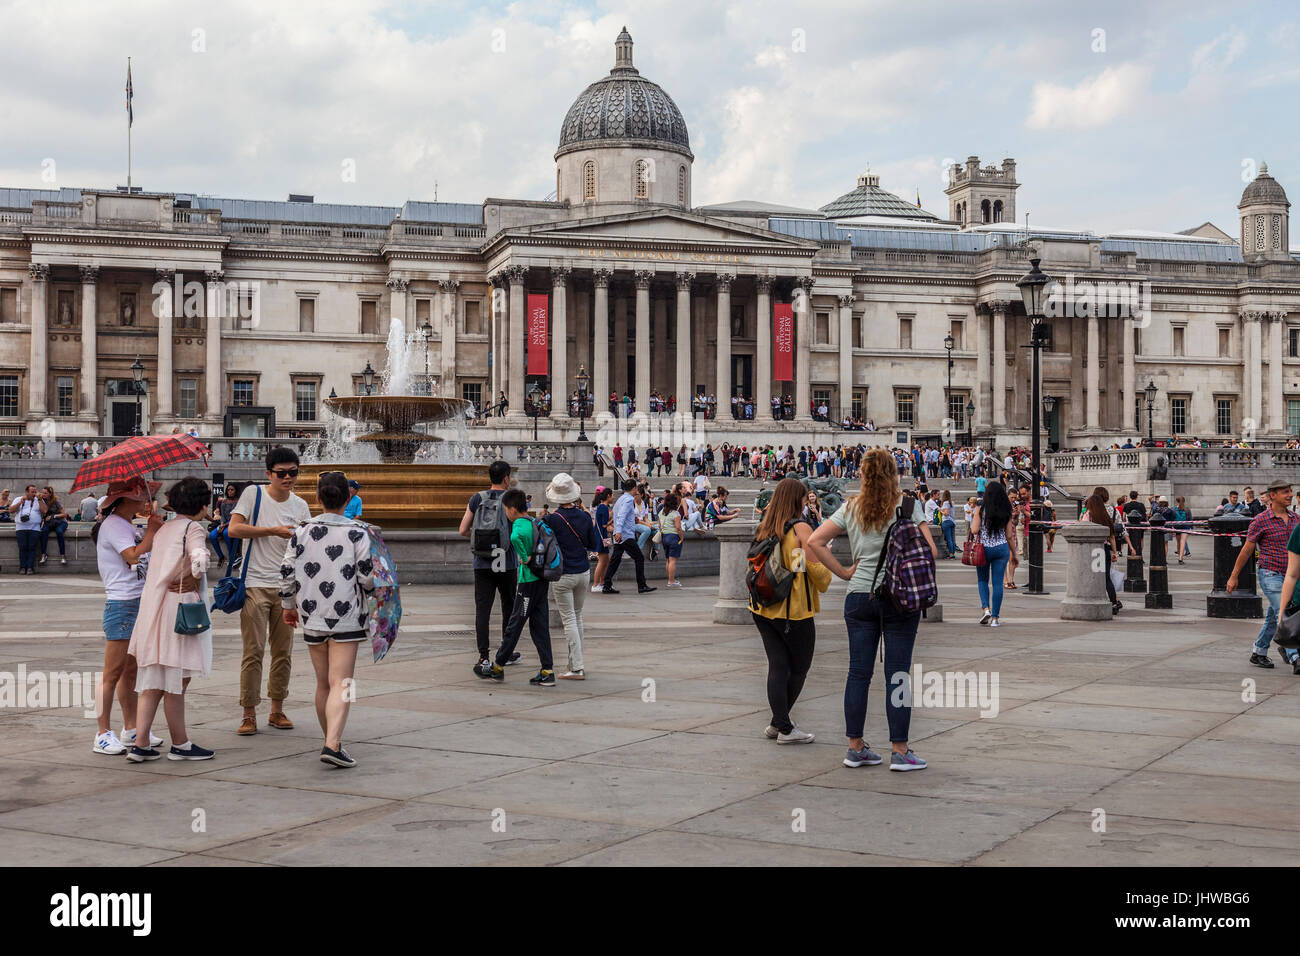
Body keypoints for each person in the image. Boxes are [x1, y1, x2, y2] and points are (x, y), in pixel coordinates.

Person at [805, 447, 936, 772]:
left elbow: (814, 542)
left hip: (859, 594)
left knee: (858, 673)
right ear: (894, 474)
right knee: (898, 674)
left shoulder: (851, 507)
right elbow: (930, 550)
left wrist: (845, 572)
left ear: (862, 474)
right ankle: (900, 751)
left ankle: (855, 747)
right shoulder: (908, 505)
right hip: (898, 596)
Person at [280, 471, 377, 768]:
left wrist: (288, 605)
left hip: (312, 614)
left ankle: (330, 739)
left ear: (318, 498)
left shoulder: (301, 531)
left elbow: (286, 573)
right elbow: (367, 576)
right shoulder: (358, 532)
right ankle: (332, 743)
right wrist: (375, 589)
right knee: (343, 682)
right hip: (347, 616)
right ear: (347, 497)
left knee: (323, 683)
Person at [125, 477, 215, 762]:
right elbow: (199, 556)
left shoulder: (164, 528)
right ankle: (180, 744)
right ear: (201, 505)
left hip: (155, 607)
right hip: (179, 606)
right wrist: (198, 570)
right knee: (177, 678)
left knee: (154, 679)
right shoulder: (194, 527)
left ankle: (140, 743)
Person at [227, 447, 311, 735]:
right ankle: (248, 712)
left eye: (293, 473)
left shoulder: (301, 505)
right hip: (254, 584)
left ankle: (277, 710)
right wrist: (271, 531)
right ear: (269, 474)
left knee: (283, 651)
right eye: (281, 473)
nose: (288, 478)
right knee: (253, 650)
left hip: (286, 588)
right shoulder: (254, 494)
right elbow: (233, 530)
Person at [751, 478, 831, 744]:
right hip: (793, 611)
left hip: (762, 607)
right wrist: (826, 558)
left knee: (777, 665)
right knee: (798, 668)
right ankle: (784, 727)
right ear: (798, 500)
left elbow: (790, 562)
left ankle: (778, 724)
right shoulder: (801, 528)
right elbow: (818, 576)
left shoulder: (766, 527)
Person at [92, 478, 165, 755]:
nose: (144, 500)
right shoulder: (114, 525)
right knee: (111, 673)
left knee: (130, 671)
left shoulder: (125, 524)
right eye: (139, 497)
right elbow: (133, 555)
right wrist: (151, 531)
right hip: (122, 603)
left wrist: (150, 532)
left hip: (136, 599)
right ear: (124, 500)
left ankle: (131, 728)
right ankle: (101, 732)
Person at [475, 489, 556, 685]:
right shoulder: (534, 522)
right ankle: (547, 670)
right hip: (541, 581)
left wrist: (523, 556)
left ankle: (499, 665)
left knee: (515, 623)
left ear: (512, 509)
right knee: (540, 626)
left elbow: (513, 539)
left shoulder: (518, 526)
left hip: (527, 582)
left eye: (505, 510)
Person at [1228, 479, 1300, 670]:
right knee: (1283, 611)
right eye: (1285, 492)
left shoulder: (1295, 519)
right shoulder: (1260, 520)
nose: (1290, 495)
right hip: (1271, 574)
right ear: (1272, 495)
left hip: (1292, 575)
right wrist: (1234, 575)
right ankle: (1295, 656)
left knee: (1273, 616)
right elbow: (1247, 550)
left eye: (1290, 491)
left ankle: (1259, 651)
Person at [458, 460, 522, 670]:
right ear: (506, 478)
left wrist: (480, 541)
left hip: (483, 561)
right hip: (506, 560)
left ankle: (483, 656)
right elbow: (521, 530)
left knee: (482, 610)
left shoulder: (477, 498)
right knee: (508, 607)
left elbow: (463, 530)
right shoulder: (512, 498)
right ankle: (506, 652)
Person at [543, 473, 600, 679]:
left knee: (569, 620)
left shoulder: (551, 519)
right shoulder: (585, 516)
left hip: (562, 574)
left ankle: (576, 667)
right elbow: (593, 544)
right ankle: (575, 663)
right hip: (583, 572)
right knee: (577, 617)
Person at [970, 480, 1016, 627]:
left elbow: (974, 530)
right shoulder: (1006, 510)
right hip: (1001, 548)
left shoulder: (981, 509)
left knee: (982, 580)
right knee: (998, 584)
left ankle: (986, 609)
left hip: (984, 548)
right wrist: (1014, 554)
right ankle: (995, 618)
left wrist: (976, 517)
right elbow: (1009, 535)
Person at [603, 479, 655, 594]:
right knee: (639, 558)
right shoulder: (628, 500)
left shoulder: (621, 499)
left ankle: (607, 584)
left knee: (615, 560)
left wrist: (619, 529)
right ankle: (641, 585)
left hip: (621, 533)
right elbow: (621, 515)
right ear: (634, 489)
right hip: (625, 535)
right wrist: (619, 532)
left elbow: (619, 515)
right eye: (636, 488)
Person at [1082, 494, 1122, 616]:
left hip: (1092, 549)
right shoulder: (1105, 516)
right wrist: (1115, 552)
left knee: (1092, 576)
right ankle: (1114, 602)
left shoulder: (1088, 515)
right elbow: (1112, 537)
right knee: (1106, 578)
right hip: (1104, 549)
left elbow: (1082, 529)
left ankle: (1093, 600)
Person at [10, 484, 45, 574]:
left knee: (32, 548)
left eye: (35, 491)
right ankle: (22, 568)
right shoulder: (18, 499)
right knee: (22, 548)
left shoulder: (39, 500)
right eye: (32, 492)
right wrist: (19, 503)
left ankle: (30, 568)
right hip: (20, 528)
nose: (34, 493)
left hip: (34, 528)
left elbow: (44, 511)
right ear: (26, 492)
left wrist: (40, 499)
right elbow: (11, 510)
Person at [209, 482, 240, 569]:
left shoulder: (238, 502)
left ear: (235, 491)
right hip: (224, 523)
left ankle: (232, 557)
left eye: (232, 490)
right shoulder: (224, 502)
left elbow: (236, 516)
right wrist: (222, 524)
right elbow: (222, 515)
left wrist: (225, 525)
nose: (230, 491)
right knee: (212, 535)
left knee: (226, 533)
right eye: (228, 490)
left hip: (233, 523)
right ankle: (221, 556)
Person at [658, 491, 685, 589]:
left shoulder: (661, 512)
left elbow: (660, 525)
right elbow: (678, 527)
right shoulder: (675, 513)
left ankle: (670, 579)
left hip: (665, 537)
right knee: (673, 560)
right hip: (673, 537)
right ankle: (671, 581)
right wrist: (681, 537)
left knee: (668, 560)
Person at [590, 487, 613, 593]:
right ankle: (595, 584)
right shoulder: (604, 507)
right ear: (608, 496)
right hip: (602, 537)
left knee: (606, 561)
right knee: (602, 561)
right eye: (612, 495)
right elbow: (604, 525)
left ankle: (602, 582)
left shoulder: (600, 506)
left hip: (600, 537)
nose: (613, 497)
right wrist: (612, 519)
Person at [38, 486, 69, 566]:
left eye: (45, 493)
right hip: (49, 523)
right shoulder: (41, 501)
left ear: (50, 494)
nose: (43, 494)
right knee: (43, 532)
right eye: (42, 492)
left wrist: (53, 516)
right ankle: (43, 554)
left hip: (61, 522)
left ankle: (63, 555)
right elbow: (42, 513)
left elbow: (64, 514)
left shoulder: (55, 502)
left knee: (59, 531)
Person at [1172, 496, 1193, 563]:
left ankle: (1179, 555)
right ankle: (1180, 558)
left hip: (1177, 527)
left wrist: (1172, 527)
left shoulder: (1174, 509)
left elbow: (1172, 519)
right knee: (1183, 541)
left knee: (1178, 542)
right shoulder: (1187, 509)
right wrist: (1191, 528)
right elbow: (1190, 519)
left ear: (1177, 501)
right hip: (1185, 526)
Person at [939, 490, 957, 559]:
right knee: (952, 538)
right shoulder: (952, 502)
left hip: (946, 521)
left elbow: (946, 513)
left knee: (948, 538)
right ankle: (952, 552)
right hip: (952, 521)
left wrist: (940, 510)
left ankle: (951, 554)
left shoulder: (945, 503)